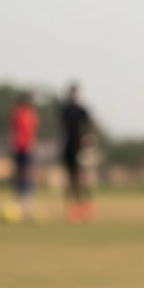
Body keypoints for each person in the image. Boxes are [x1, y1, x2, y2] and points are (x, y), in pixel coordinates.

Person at [59, 83, 94, 222]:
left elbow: (89, 127)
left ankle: (86, 208)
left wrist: (87, 144)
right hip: (69, 148)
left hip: (81, 148)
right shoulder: (65, 110)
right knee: (71, 179)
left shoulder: (82, 111)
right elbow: (61, 129)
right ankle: (74, 210)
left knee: (83, 178)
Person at [9, 93, 38, 218]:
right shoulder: (16, 113)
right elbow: (12, 131)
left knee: (27, 175)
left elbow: (33, 132)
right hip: (18, 148)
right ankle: (18, 203)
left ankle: (27, 204)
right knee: (19, 175)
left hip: (28, 149)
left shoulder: (32, 114)